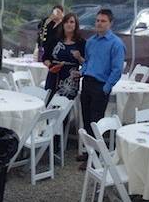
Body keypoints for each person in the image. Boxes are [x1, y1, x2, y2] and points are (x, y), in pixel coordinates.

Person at [77, 9, 125, 170]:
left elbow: (117, 69)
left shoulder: (116, 44)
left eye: (103, 21)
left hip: (101, 86)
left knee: (96, 121)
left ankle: (95, 156)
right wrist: (82, 72)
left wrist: (106, 87)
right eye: (97, 20)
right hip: (87, 83)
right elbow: (87, 61)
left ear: (110, 23)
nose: (99, 23)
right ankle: (88, 151)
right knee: (86, 118)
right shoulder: (91, 41)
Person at [43, 12, 86, 100]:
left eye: (71, 22)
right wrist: (51, 66)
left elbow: (87, 63)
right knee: (49, 103)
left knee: (64, 106)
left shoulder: (81, 42)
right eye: (66, 22)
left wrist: (79, 58)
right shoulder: (54, 40)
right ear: (63, 24)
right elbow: (45, 57)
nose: (68, 24)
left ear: (76, 25)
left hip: (70, 79)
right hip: (54, 76)